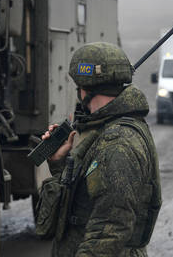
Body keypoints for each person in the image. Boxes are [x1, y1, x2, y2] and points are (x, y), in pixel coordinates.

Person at [36, 42, 162, 257]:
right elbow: (84, 201)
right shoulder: (104, 129)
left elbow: (111, 228)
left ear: (84, 89)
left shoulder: (118, 143)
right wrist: (59, 163)